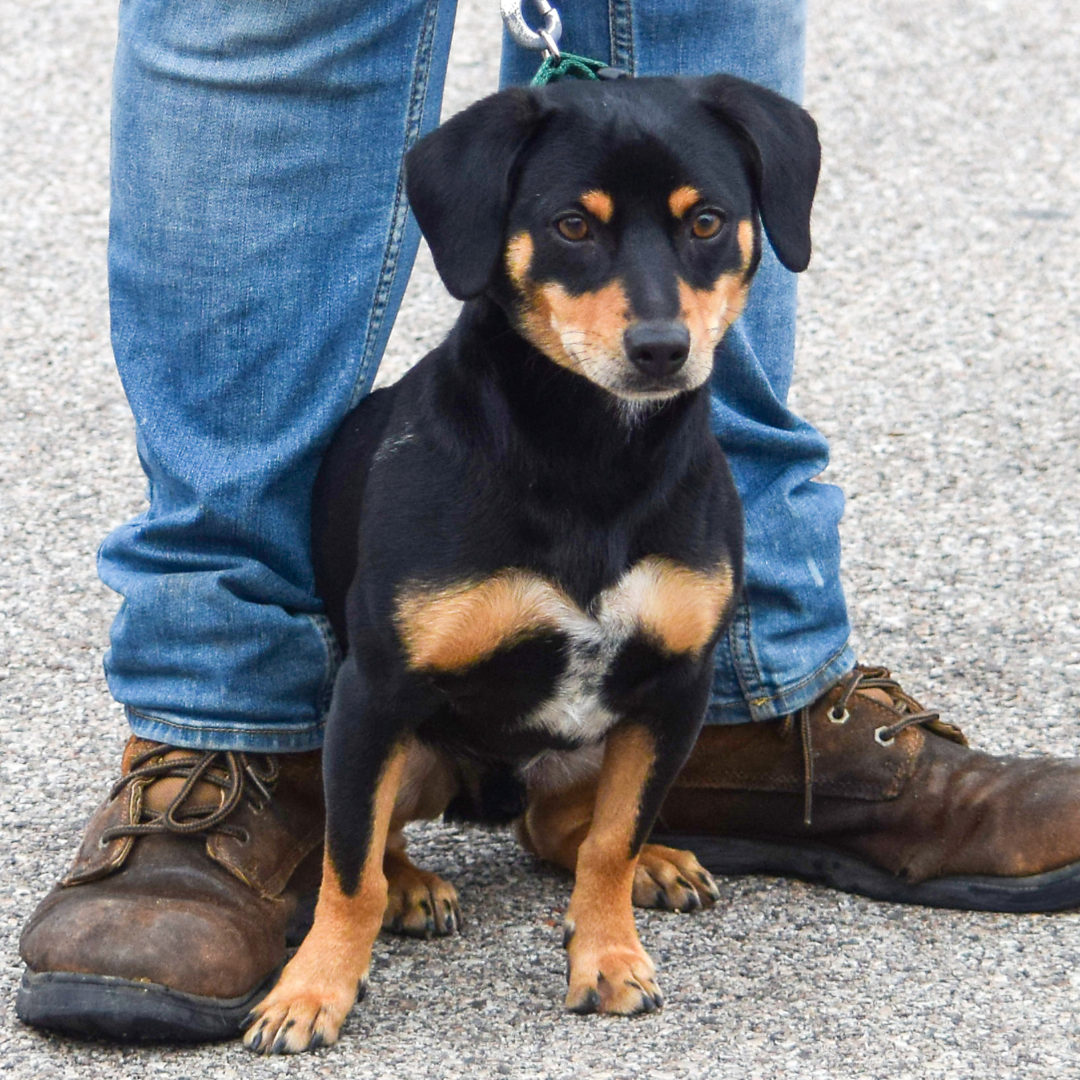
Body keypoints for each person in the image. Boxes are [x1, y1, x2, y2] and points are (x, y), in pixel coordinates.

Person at [17, 0, 1080, 1043]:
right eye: (579, 232)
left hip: (646, 600)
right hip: (433, 669)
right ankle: (236, 726)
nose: (656, 316)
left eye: (703, 226)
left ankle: (746, 713)